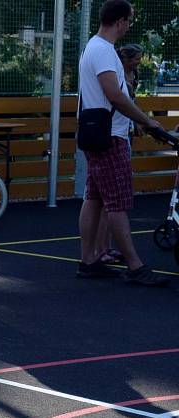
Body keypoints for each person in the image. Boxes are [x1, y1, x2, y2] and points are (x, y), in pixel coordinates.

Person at [76, 0, 169, 287]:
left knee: (94, 198)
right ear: (120, 21)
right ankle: (135, 265)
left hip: (99, 133)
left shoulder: (94, 47)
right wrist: (147, 121)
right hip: (110, 137)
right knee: (117, 202)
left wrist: (141, 122)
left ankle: (89, 260)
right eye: (129, 20)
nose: (129, 25)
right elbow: (114, 95)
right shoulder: (103, 51)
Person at [94, 42, 145, 265]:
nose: (138, 63)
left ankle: (102, 249)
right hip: (112, 135)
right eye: (136, 59)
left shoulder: (130, 75)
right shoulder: (112, 73)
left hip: (124, 133)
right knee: (111, 201)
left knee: (104, 200)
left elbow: (131, 101)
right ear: (125, 58)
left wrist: (139, 121)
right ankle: (104, 251)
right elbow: (118, 99)